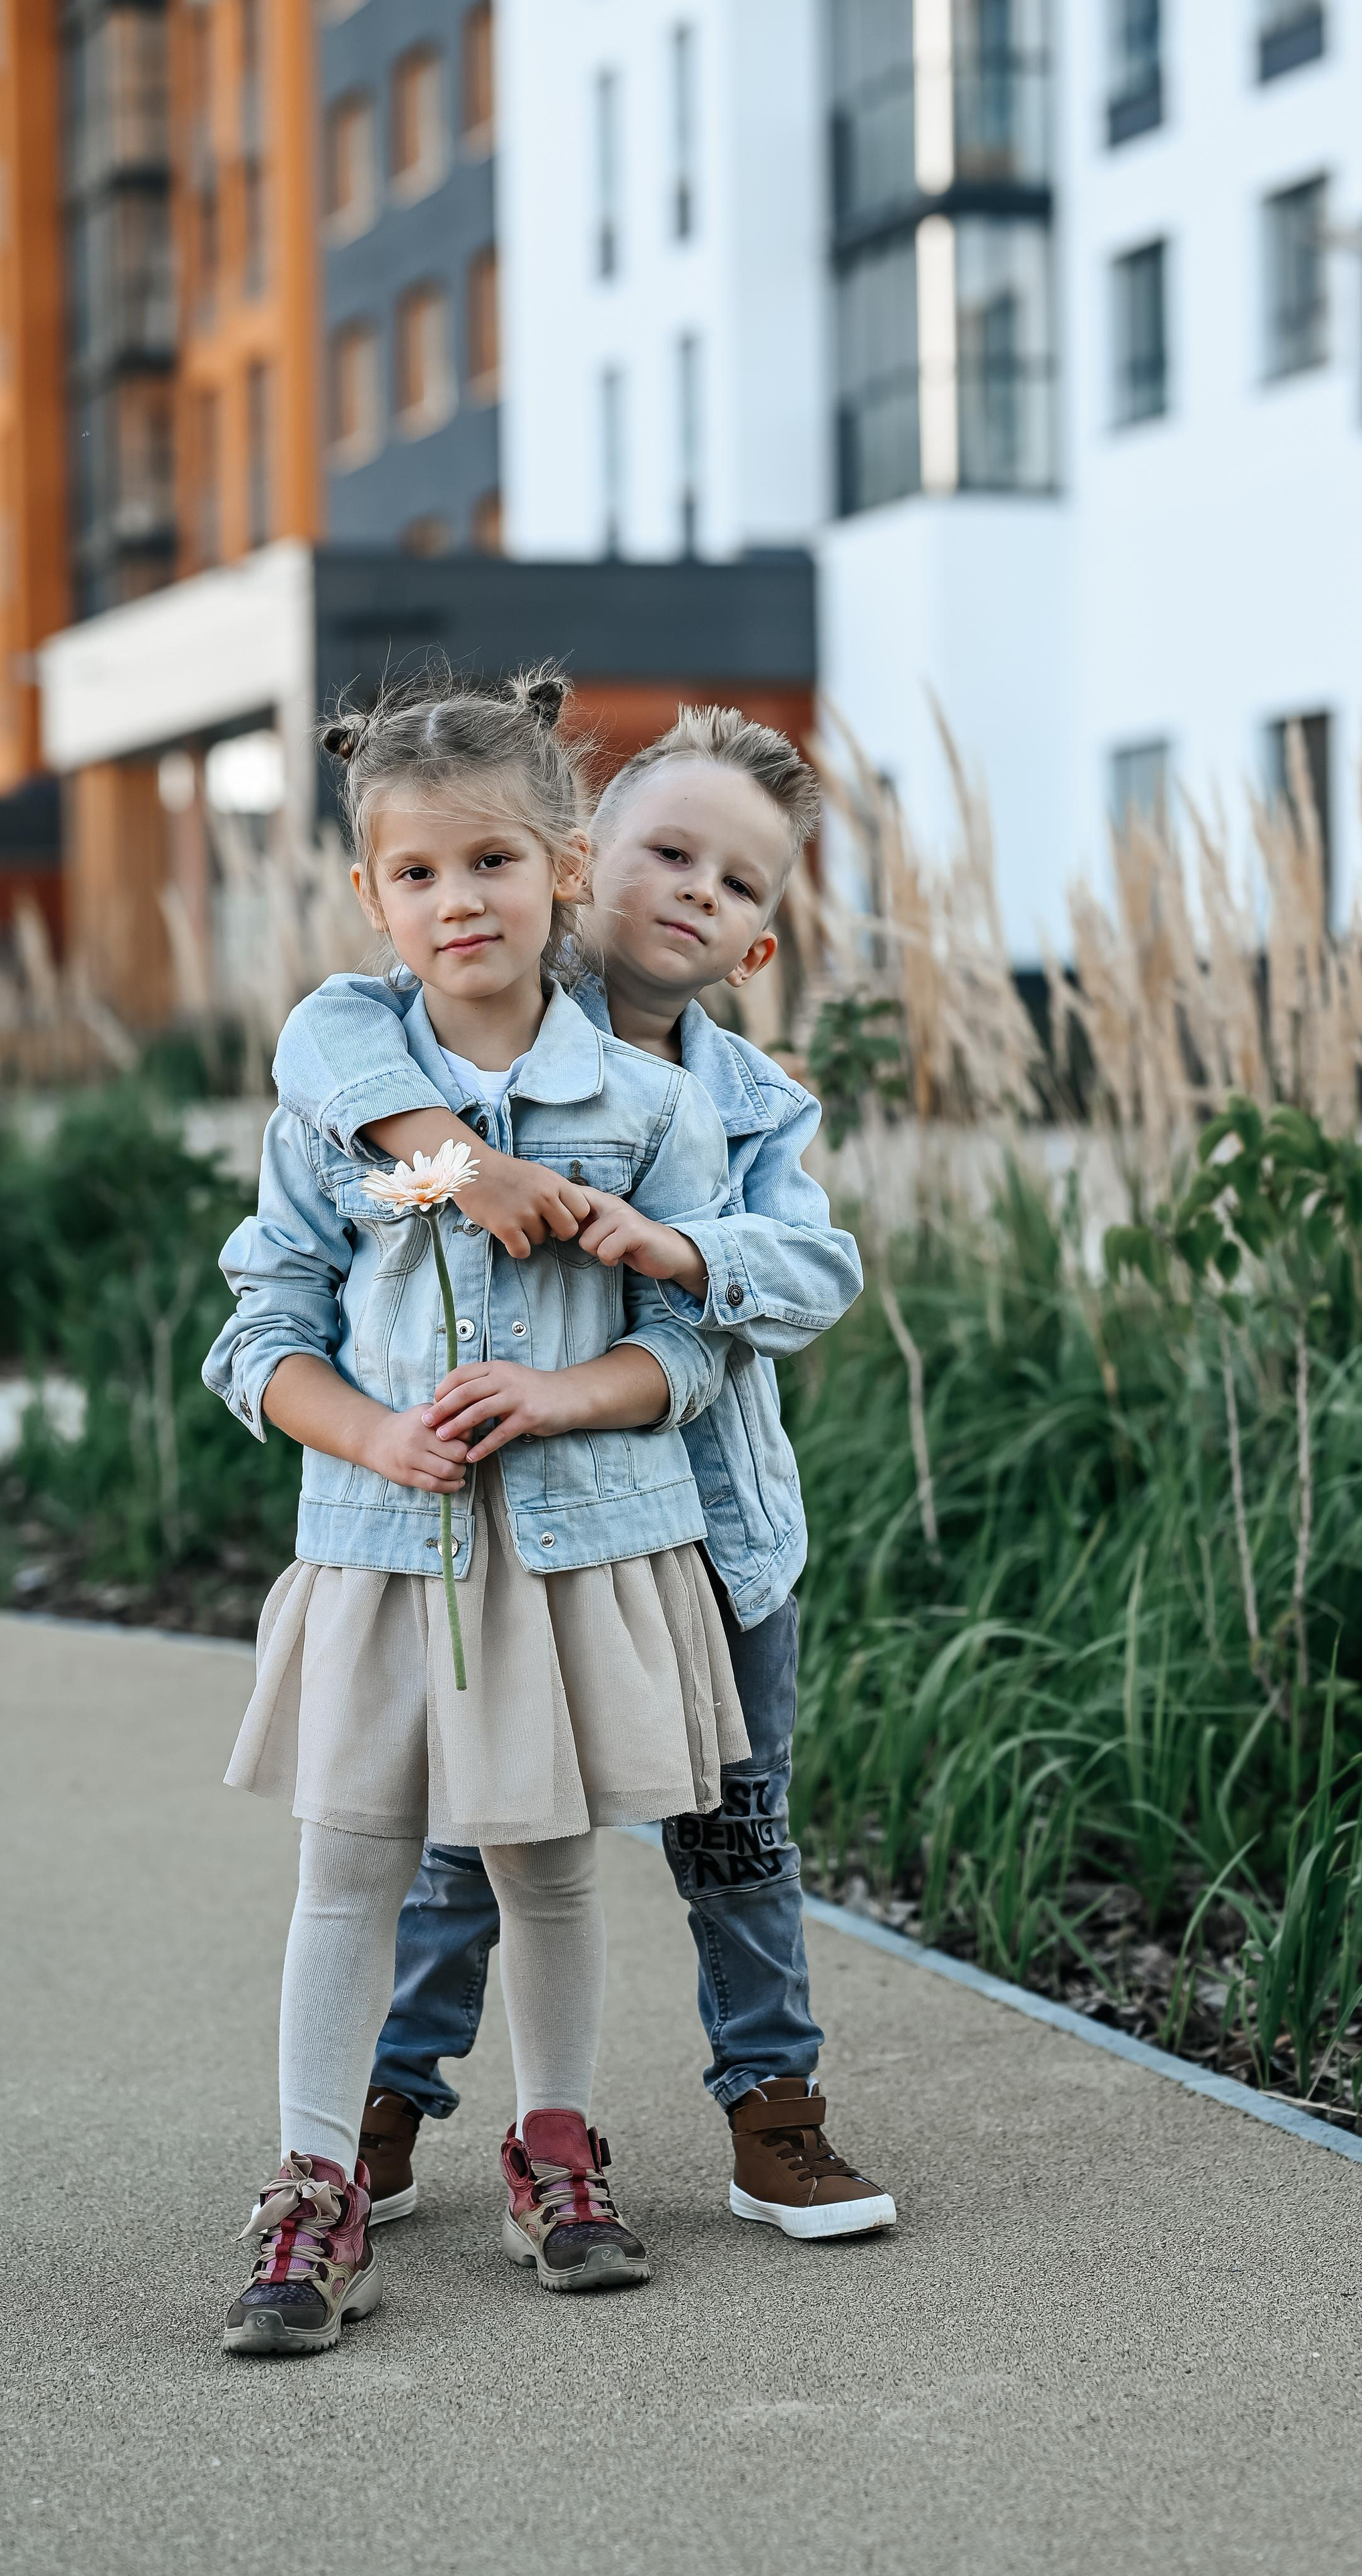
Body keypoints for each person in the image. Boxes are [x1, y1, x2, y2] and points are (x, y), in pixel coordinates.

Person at [271, 702, 898, 2244]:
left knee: (737, 1825)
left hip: (706, 1528)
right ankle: (390, 2100)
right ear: (582, 863)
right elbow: (322, 1043)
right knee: (457, 1843)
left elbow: (814, 1267)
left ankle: (772, 2114)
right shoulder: (421, 1021)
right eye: (665, 850)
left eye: (740, 885)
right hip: (489, 1530)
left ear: (758, 944)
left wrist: (682, 1248)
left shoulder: (732, 1104)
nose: (696, 889)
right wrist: (457, 1159)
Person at [204, 668, 751, 2356]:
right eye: (422, 874)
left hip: (580, 1545)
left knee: (549, 1863)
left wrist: (561, 1395)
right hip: (384, 1544)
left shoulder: (651, 1106)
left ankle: (555, 2141)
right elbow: (258, 1333)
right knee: (349, 1862)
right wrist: (371, 1433)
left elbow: (696, 1344)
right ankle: (313, 2180)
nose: (462, 902)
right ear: (374, 896)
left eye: (497, 864)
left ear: (565, 870)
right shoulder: (339, 1094)